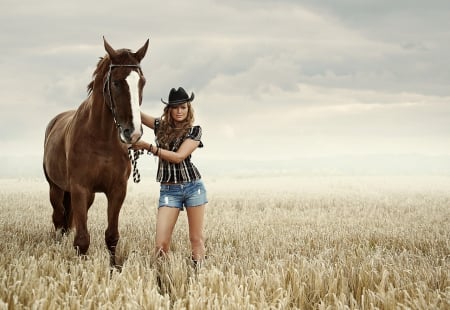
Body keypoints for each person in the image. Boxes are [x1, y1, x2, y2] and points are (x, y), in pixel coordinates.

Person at [132, 87, 207, 265]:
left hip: (193, 187)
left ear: (188, 109)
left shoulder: (194, 131)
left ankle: (199, 276)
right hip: (169, 190)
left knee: (196, 239)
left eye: (183, 107)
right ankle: (162, 280)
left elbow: (179, 157)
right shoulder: (161, 127)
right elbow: (137, 113)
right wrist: (128, 94)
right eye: (175, 107)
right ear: (169, 109)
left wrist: (147, 147)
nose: (179, 111)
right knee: (160, 244)